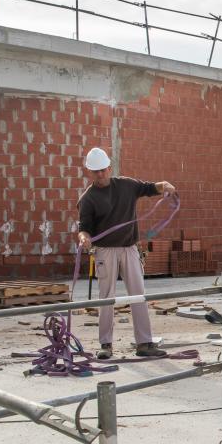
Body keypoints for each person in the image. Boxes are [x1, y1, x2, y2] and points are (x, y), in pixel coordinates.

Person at [76, 146, 177, 358]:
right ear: (89, 172)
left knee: (138, 294)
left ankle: (144, 343)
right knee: (106, 298)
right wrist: (83, 237)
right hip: (105, 252)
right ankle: (105, 345)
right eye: (96, 171)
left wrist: (164, 185)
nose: (101, 174)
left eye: (103, 169)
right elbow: (84, 226)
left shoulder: (126, 185)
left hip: (130, 248)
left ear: (109, 167)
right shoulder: (88, 198)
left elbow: (149, 188)